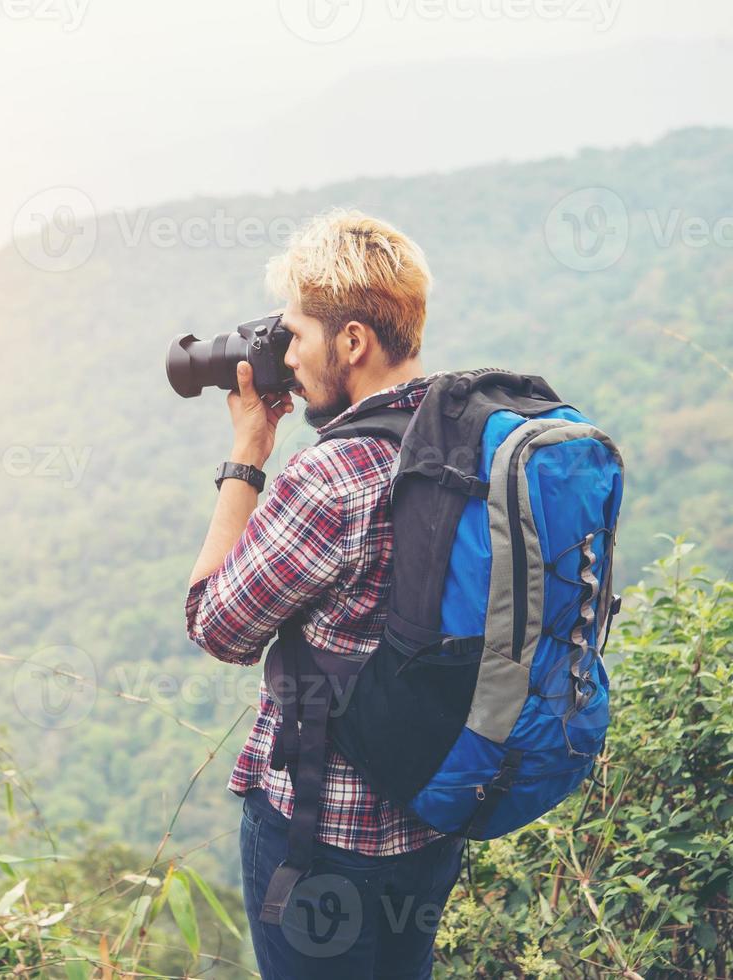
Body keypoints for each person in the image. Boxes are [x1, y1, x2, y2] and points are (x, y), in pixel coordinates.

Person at [184, 208, 463, 978]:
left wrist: (247, 453)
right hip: (435, 819)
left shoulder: (330, 476)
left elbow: (216, 626)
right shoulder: (471, 438)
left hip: (322, 841)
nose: (288, 358)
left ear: (352, 341)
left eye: (297, 337)